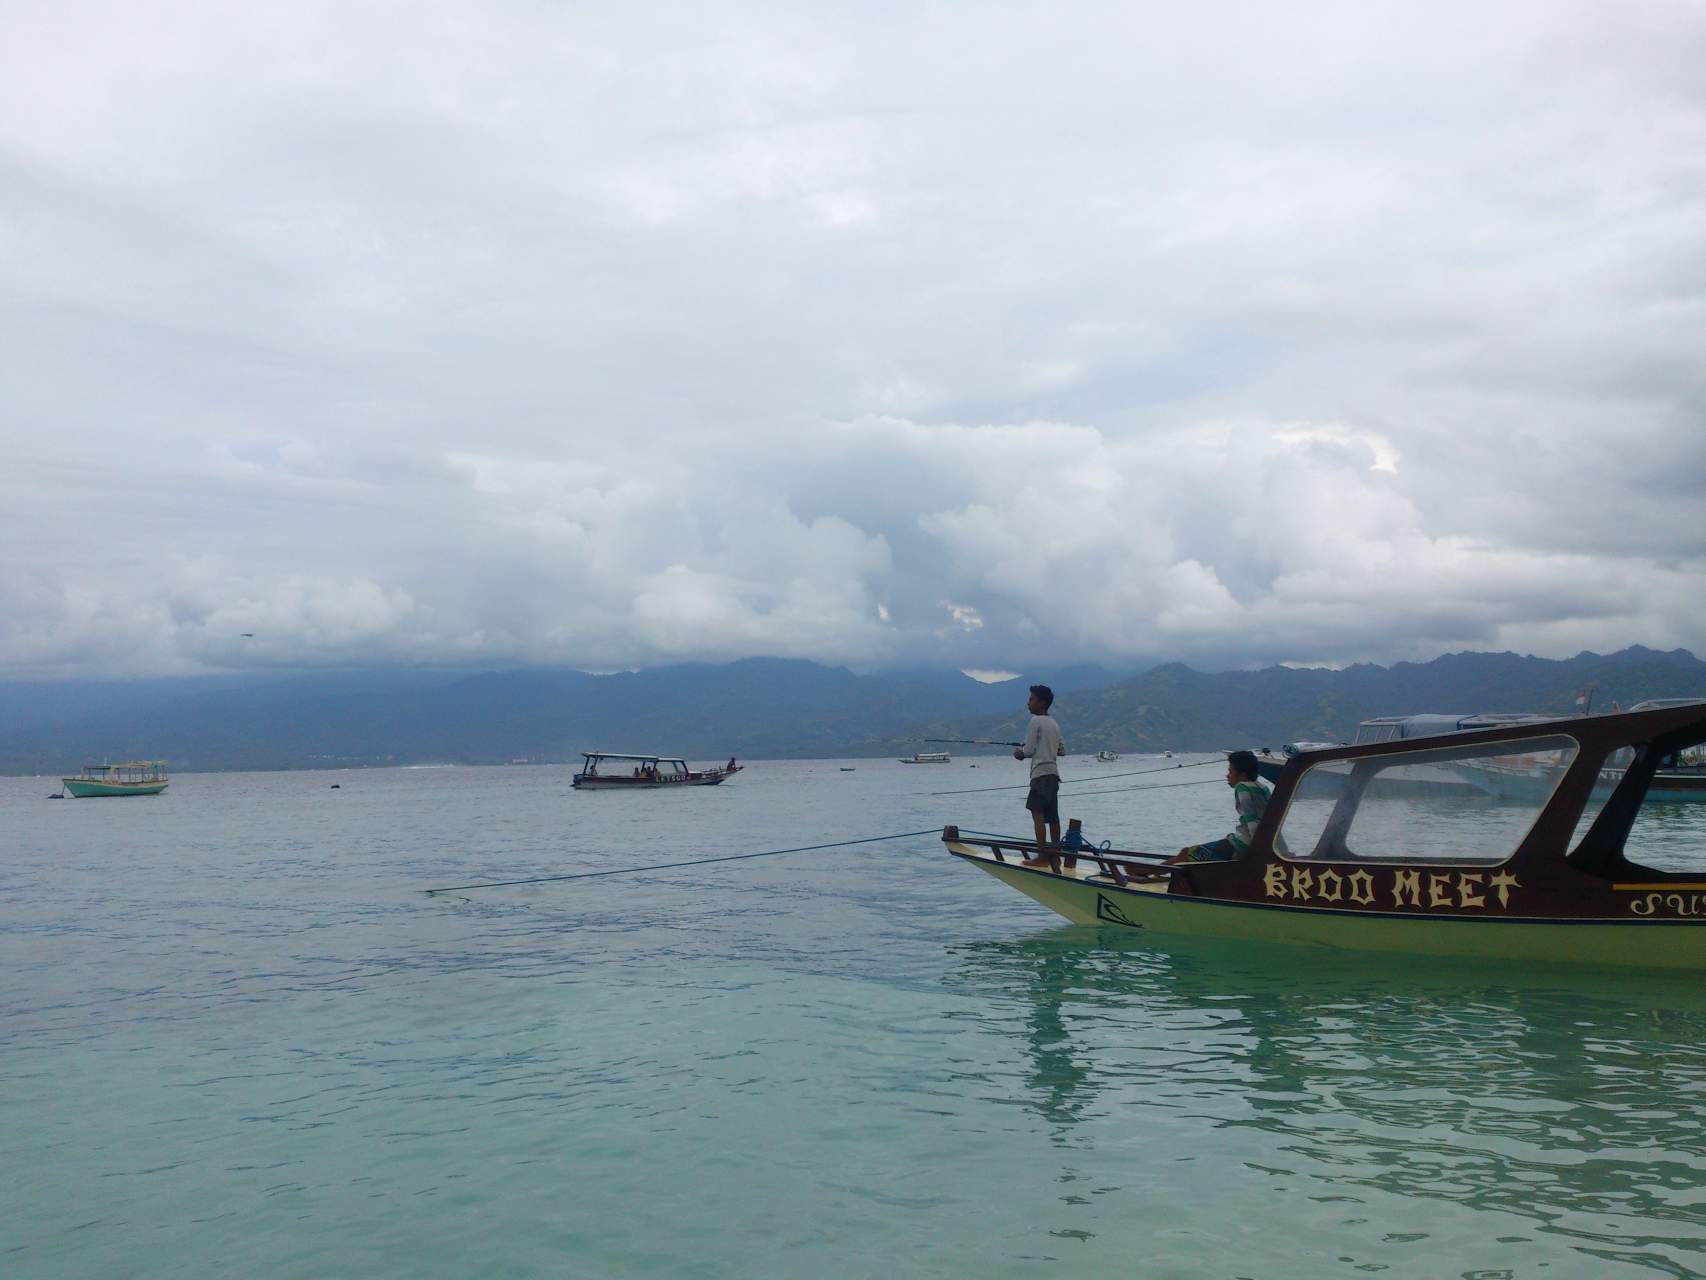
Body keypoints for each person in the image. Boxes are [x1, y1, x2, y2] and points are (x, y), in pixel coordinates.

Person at [1169, 750, 1271, 863]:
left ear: (1242, 775)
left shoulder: (1242, 787)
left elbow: (1251, 818)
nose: (1227, 775)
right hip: (1256, 842)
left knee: (1185, 854)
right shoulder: (1263, 788)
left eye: (1230, 772)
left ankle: (1154, 871)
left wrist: (1257, 848)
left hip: (1241, 844)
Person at [1014, 684, 1067, 868]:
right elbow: (1062, 750)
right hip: (1053, 775)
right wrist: (1045, 746)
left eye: (1031, 699)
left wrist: (1019, 752)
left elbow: (1028, 750)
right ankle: (1056, 857)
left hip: (1040, 775)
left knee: (1037, 814)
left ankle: (1042, 856)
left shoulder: (1035, 721)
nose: (1028, 703)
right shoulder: (1054, 723)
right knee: (1053, 817)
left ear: (1042, 703)